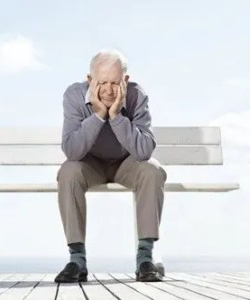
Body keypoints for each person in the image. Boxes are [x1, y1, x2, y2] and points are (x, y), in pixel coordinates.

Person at [54, 49, 167, 283]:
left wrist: (116, 117)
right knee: (68, 171)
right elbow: (73, 151)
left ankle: (145, 258)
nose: (107, 90)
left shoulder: (137, 96)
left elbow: (144, 150)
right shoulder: (74, 96)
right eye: (102, 82)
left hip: (126, 163)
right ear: (90, 81)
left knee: (152, 170)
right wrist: (97, 116)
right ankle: (77, 260)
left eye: (115, 83)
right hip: (90, 164)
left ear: (125, 80)